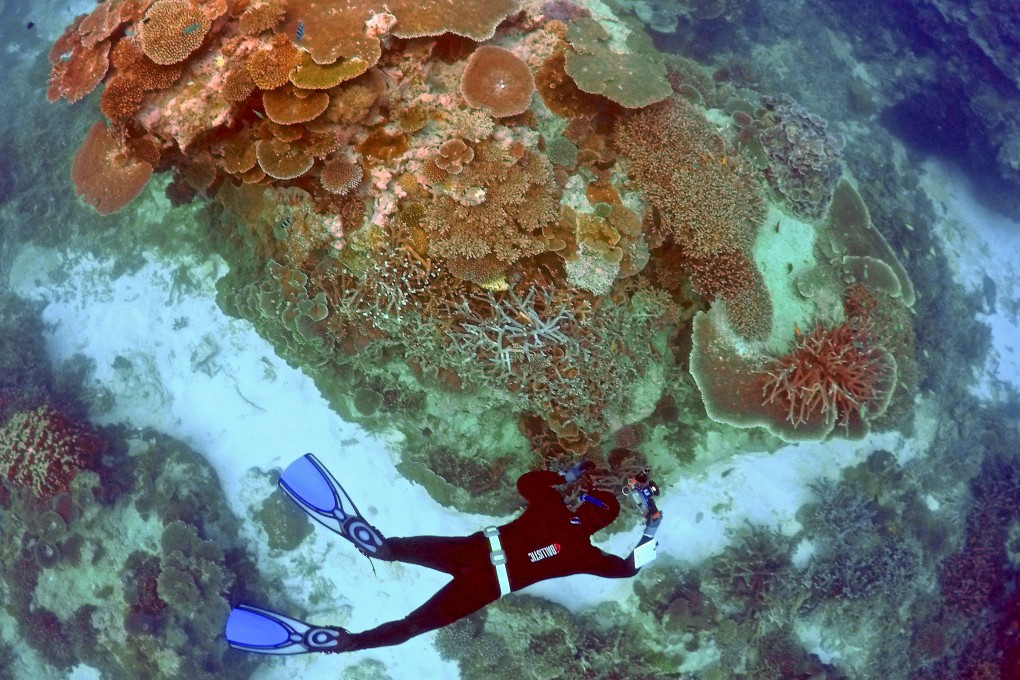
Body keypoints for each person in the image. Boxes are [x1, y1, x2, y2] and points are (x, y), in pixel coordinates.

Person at [225, 452, 663, 655]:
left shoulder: (551, 506)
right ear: (601, 527)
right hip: (488, 585)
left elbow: (527, 485)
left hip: (473, 550)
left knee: (392, 549)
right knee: (412, 625)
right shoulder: (582, 554)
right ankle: (345, 642)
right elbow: (627, 569)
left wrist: (564, 476)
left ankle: (375, 544)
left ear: (581, 506)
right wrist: (651, 525)